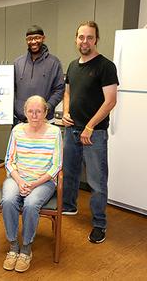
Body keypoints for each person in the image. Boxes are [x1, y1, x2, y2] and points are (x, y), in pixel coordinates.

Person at [62, 21, 118, 244]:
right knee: (70, 173)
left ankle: (99, 224)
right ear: (76, 39)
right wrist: (66, 112)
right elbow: (68, 93)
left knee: (96, 181)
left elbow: (110, 101)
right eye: (81, 37)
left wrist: (90, 126)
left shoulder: (106, 66)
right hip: (72, 130)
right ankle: (68, 206)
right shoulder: (72, 65)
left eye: (89, 37)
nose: (84, 41)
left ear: (96, 40)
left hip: (94, 134)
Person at [2, 95, 62, 273]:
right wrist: (20, 181)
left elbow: (56, 165)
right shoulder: (18, 130)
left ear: (45, 112)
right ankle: (13, 246)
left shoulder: (54, 132)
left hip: (43, 181)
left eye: (38, 111)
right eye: (31, 111)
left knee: (30, 203)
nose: (34, 115)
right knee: (8, 200)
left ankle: (26, 249)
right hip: (18, 178)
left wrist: (34, 183)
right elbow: (9, 160)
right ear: (25, 113)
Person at [14, 25, 64, 126]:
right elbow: (10, 90)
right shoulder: (18, 63)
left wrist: (47, 108)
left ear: (43, 38)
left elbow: (59, 89)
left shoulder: (54, 62)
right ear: (26, 40)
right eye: (30, 39)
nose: (33, 42)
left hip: (45, 121)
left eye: (37, 37)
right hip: (20, 122)